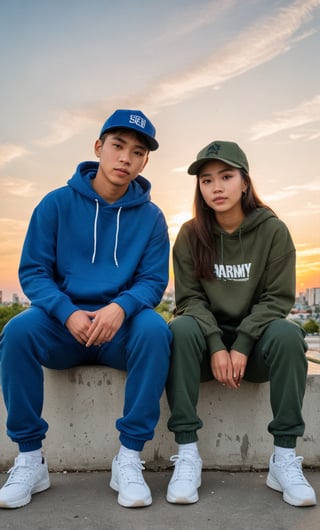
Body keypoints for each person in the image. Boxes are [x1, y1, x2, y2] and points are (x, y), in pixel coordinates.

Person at [0, 109, 172, 509]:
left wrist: (120, 308)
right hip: (64, 328)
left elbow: (152, 281)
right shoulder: (56, 204)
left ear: (146, 161)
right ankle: (30, 460)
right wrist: (67, 312)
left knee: (156, 330)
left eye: (137, 152)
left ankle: (128, 458)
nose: (125, 158)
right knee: (18, 332)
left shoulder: (151, 217)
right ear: (98, 148)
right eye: (117, 146)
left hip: (120, 331)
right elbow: (35, 272)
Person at [165, 140, 317, 507]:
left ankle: (283, 458)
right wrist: (217, 344)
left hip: (258, 351)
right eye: (206, 180)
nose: (216, 187)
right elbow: (188, 301)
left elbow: (278, 300)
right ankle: (187, 455)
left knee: (288, 333)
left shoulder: (272, 231)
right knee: (178, 329)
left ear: (245, 182)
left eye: (226, 176)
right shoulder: (189, 234)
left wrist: (243, 343)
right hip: (205, 350)